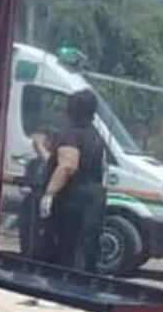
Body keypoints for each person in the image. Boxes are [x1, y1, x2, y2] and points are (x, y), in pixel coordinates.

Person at [39, 89, 108, 273]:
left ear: (71, 111)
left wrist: (49, 194)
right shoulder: (96, 136)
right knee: (86, 250)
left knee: (65, 250)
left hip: (71, 203)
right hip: (93, 202)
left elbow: (67, 165)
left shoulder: (70, 135)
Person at [19, 128, 55, 261]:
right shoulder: (33, 163)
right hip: (30, 201)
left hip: (43, 202)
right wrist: (25, 187)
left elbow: (51, 166)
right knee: (25, 229)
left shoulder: (52, 161)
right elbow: (26, 180)